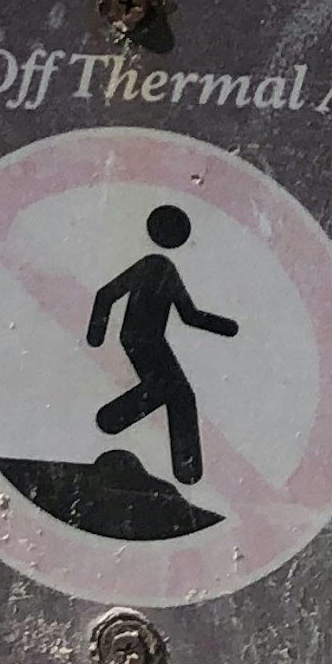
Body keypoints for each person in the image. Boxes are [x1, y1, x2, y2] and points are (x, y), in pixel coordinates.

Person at [84, 204, 238, 485]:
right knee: (178, 393)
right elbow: (106, 294)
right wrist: (95, 334)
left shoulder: (163, 268)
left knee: (172, 392)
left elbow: (188, 315)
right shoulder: (154, 265)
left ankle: (115, 421)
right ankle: (115, 421)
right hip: (142, 340)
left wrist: (227, 327)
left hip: (147, 340)